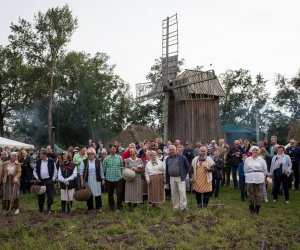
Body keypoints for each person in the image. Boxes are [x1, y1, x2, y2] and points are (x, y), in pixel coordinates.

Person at [244, 146, 268, 215]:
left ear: (258, 151)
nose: (255, 151)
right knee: (250, 195)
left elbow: (265, 170)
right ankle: (251, 210)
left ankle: (257, 210)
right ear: (251, 151)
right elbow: (245, 170)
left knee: (258, 195)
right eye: (253, 150)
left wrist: (262, 176)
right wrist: (248, 175)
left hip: (259, 179)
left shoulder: (262, 160)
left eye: (256, 150)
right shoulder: (247, 160)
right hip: (250, 179)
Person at [165, 145, 190, 211]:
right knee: (174, 193)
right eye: (170, 150)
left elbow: (188, 166)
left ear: (176, 149)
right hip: (172, 178)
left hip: (180, 177)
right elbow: (167, 169)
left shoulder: (181, 157)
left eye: (173, 149)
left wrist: (184, 174)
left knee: (182, 192)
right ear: (169, 151)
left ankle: (183, 207)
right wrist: (167, 179)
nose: (172, 151)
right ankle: (175, 207)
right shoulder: (168, 158)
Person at [33, 149, 57, 214]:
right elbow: (34, 171)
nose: (39, 155)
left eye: (40, 154)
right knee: (40, 196)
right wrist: (37, 178)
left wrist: (53, 179)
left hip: (49, 181)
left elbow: (55, 171)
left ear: (44, 154)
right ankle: (41, 209)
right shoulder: (38, 162)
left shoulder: (51, 161)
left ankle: (49, 209)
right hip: (40, 181)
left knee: (50, 196)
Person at [103, 144, 124, 211]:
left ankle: (119, 207)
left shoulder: (119, 157)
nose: (114, 150)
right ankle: (112, 208)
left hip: (118, 178)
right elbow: (104, 169)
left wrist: (120, 174)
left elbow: (121, 166)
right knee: (110, 194)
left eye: (115, 149)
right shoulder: (106, 158)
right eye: (112, 149)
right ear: (109, 150)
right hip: (109, 179)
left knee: (119, 193)